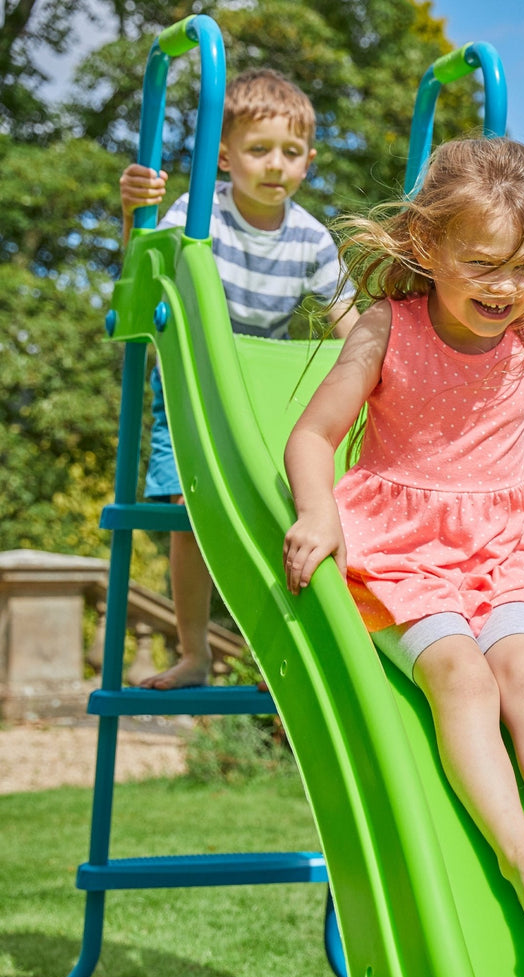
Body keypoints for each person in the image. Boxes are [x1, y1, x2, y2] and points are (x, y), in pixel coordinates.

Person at [282, 136, 524, 932]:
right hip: (399, 554)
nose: (506, 288)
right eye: (483, 264)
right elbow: (312, 436)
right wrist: (318, 512)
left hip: (501, 548)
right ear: (427, 244)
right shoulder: (387, 329)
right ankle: (523, 856)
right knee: (466, 679)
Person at [120, 68, 359, 690]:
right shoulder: (197, 214)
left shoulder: (309, 237)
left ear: (308, 160)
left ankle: (271, 659)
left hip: (261, 394)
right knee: (192, 516)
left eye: (290, 152)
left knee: (284, 516)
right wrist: (133, 217)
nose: (274, 165)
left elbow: (351, 329)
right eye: (258, 150)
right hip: (188, 386)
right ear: (224, 156)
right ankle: (195, 652)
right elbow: (144, 280)